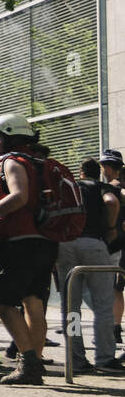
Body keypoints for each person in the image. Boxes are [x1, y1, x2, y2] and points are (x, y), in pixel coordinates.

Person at [0, 113, 60, 386]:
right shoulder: (38, 162)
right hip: (45, 242)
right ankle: (33, 362)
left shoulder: (12, 161)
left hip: (19, 242)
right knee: (33, 302)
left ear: (9, 136)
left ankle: (29, 363)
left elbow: (19, 196)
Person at [55, 159, 122, 373]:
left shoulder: (70, 187)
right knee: (103, 306)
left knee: (71, 308)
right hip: (94, 244)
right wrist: (111, 228)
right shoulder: (102, 187)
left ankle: (75, 358)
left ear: (80, 173)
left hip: (65, 244)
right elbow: (111, 202)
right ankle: (105, 358)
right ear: (97, 173)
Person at [100, 149, 125, 353]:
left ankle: (113, 329)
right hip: (119, 244)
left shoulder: (110, 190)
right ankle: (115, 328)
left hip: (116, 244)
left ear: (107, 167)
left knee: (113, 288)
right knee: (117, 287)